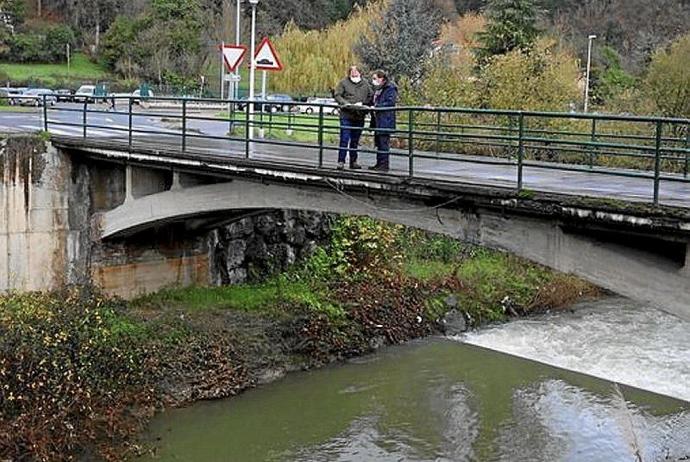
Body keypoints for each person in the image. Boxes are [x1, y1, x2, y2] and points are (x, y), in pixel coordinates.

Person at [333, 66, 373, 170]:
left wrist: (364, 105)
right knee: (344, 138)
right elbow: (337, 95)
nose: (354, 73)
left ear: (360, 72)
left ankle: (353, 161)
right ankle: (341, 161)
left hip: (359, 115)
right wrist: (346, 104)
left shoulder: (365, 84)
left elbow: (370, 96)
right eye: (352, 71)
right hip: (346, 114)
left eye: (356, 71)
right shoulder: (343, 83)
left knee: (355, 140)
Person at [369, 70, 397, 172]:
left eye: (375, 78)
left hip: (385, 120)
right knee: (379, 142)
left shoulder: (390, 88)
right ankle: (379, 163)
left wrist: (376, 107)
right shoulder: (379, 89)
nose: (374, 81)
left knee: (383, 143)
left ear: (381, 78)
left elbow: (390, 102)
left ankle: (384, 165)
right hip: (378, 119)